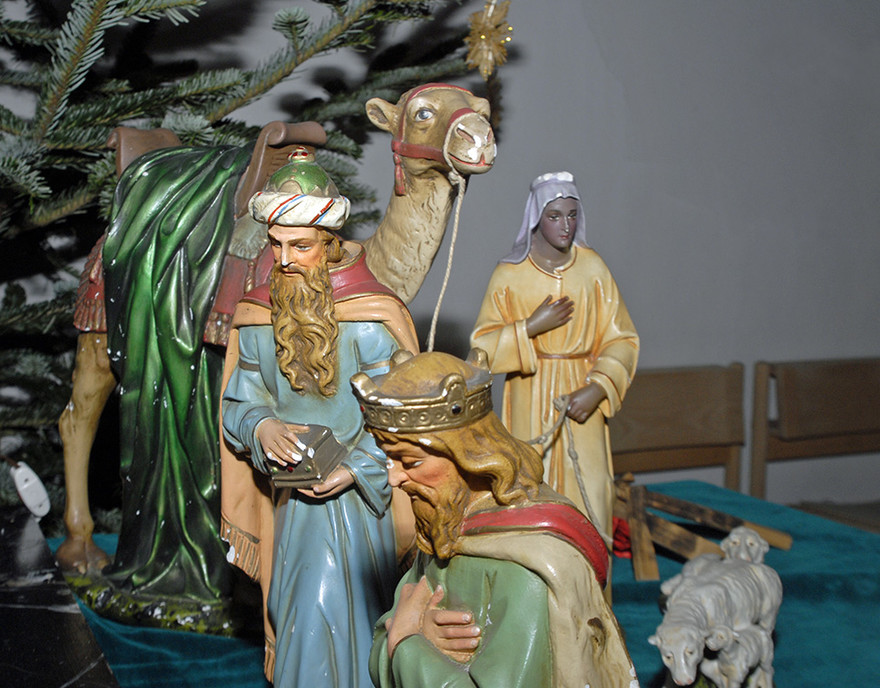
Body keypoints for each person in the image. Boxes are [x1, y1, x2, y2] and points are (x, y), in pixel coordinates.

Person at [219, 148, 417, 687]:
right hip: (291, 503)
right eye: (276, 244)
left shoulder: (368, 320)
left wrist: (354, 467)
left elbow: (398, 416)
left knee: (337, 609)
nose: (284, 259)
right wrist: (263, 426)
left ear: (329, 244)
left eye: (301, 246)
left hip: (359, 507)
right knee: (294, 605)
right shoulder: (260, 318)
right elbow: (239, 402)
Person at [351, 349, 638, 688]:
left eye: (410, 462)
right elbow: (389, 631)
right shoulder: (443, 522)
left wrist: (407, 645)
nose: (393, 478)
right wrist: (414, 632)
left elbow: (398, 634)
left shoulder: (524, 566)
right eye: (388, 460)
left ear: (470, 455)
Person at [470, 171, 638, 545]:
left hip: (582, 395)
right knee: (531, 493)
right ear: (537, 218)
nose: (565, 225)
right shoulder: (510, 274)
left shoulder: (593, 269)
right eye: (555, 216)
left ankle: (591, 578)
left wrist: (598, 387)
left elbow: (623, 339)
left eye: (572, 215)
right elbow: (481, 349)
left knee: (590, 492)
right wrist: (530, 326)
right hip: (530, 397)